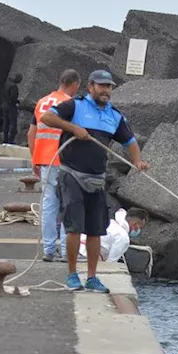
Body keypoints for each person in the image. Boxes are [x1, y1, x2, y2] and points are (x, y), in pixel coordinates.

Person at [39, 70, 149, 292]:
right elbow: (46, 117)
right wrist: (73, 128)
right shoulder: (75, 106)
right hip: (72, 174)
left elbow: (130, 140)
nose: (105, 90)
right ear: (90, 87)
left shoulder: (114, 116)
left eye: (109, 86)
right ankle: (71, 275)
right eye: (101, 86)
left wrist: (137, 161)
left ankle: (91, 277)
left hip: (97, 178)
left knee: (95, 230)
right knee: (73, 228)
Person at [28, 69, 82, 263]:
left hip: (44, 160)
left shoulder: (41, 102)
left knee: (49, 205)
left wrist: (34, 158)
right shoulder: (70, 105)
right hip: (64, 160)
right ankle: (68, 251)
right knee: (69, 205)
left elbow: (31, 133)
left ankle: (49, 249)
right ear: (75, 85)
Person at [78, 206, 148, 264]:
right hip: (85, 256)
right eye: (140, 227)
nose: (138, 231)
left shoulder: (110, 223)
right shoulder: (123, 237)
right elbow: (110, 263)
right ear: (135, 225)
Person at [1, 73, 23, 144]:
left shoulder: (7, 84)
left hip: (5, 105)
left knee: (6, 123)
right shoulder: (14, 86)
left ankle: (5, 139)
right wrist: (17, 102)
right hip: (11, 107)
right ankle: (11, 140)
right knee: (13, 124)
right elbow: (13, 98)